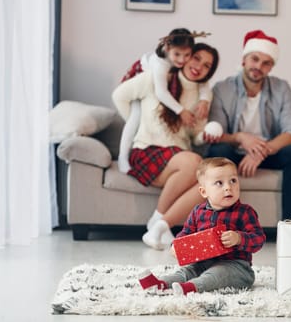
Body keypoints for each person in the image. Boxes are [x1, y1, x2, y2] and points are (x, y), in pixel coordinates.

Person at [112, 43, 220, 250]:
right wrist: (136, 122)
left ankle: (161, 225)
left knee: (210, 183)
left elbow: (194, 135)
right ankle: (156, 221)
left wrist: (204, 136)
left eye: (207, 66)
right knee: (194, 162)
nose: (199, 66)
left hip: (176, 158)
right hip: (146, 151)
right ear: (185, 56)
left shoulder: (202, 96)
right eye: (196, 58)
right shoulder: (156, 78)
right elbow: (119, 96)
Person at [206, 29, 291, 220]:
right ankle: (217, 223)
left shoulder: (281, 88)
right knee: (217, 151)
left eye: (266, 63)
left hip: (268, 152)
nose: (258, 66)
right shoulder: (222, 88)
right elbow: (216, 133)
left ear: (271, 67)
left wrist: (261, 151)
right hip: (234, 152)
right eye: (255, 59)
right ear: (244, 60)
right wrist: (241, 138)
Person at [138, 157, 266, 295]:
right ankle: (160, 284)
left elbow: (259, 239)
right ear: (204, 192)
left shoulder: (245, 212)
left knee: (216, 274)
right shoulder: (198, 212)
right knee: (186, 271)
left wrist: (239, 238)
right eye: (219, 183)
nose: (228, 187)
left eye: (233, 181)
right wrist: (176, 246)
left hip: (236, 267)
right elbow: (185, 233)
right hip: (202, 263)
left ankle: (190, 288)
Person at [120, 28, 212, 128]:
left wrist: (204, 100)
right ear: (167, 48)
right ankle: (128, 142)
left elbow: (202, 80)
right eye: (177, 54)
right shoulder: (161, 64)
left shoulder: (181, 59)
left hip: (156, 86)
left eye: (187, 55)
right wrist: (181, 111)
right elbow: (161, 92)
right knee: (136, 118)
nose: (182, 60)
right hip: (137, 83)